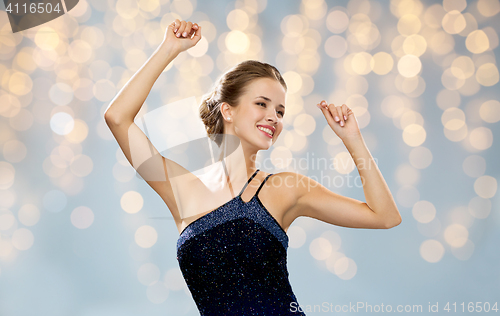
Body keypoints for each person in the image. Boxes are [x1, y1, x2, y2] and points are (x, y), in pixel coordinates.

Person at [104, 19, 402, 316]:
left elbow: (384, 216)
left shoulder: (285, 189)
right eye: (262, 104)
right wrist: (169, 49)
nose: (274, 117)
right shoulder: (181, 189)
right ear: (228, 109)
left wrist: (353, 140)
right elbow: (118, 118)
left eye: (280, 111)